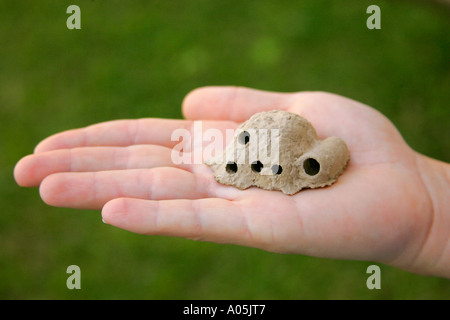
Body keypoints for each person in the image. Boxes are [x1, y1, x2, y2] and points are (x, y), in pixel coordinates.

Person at [13, 86, 450, 278]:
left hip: (293, 144)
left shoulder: (300, 155)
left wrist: (430, 212)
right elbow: (242, 157)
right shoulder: (244, 151)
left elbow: (316, 153)